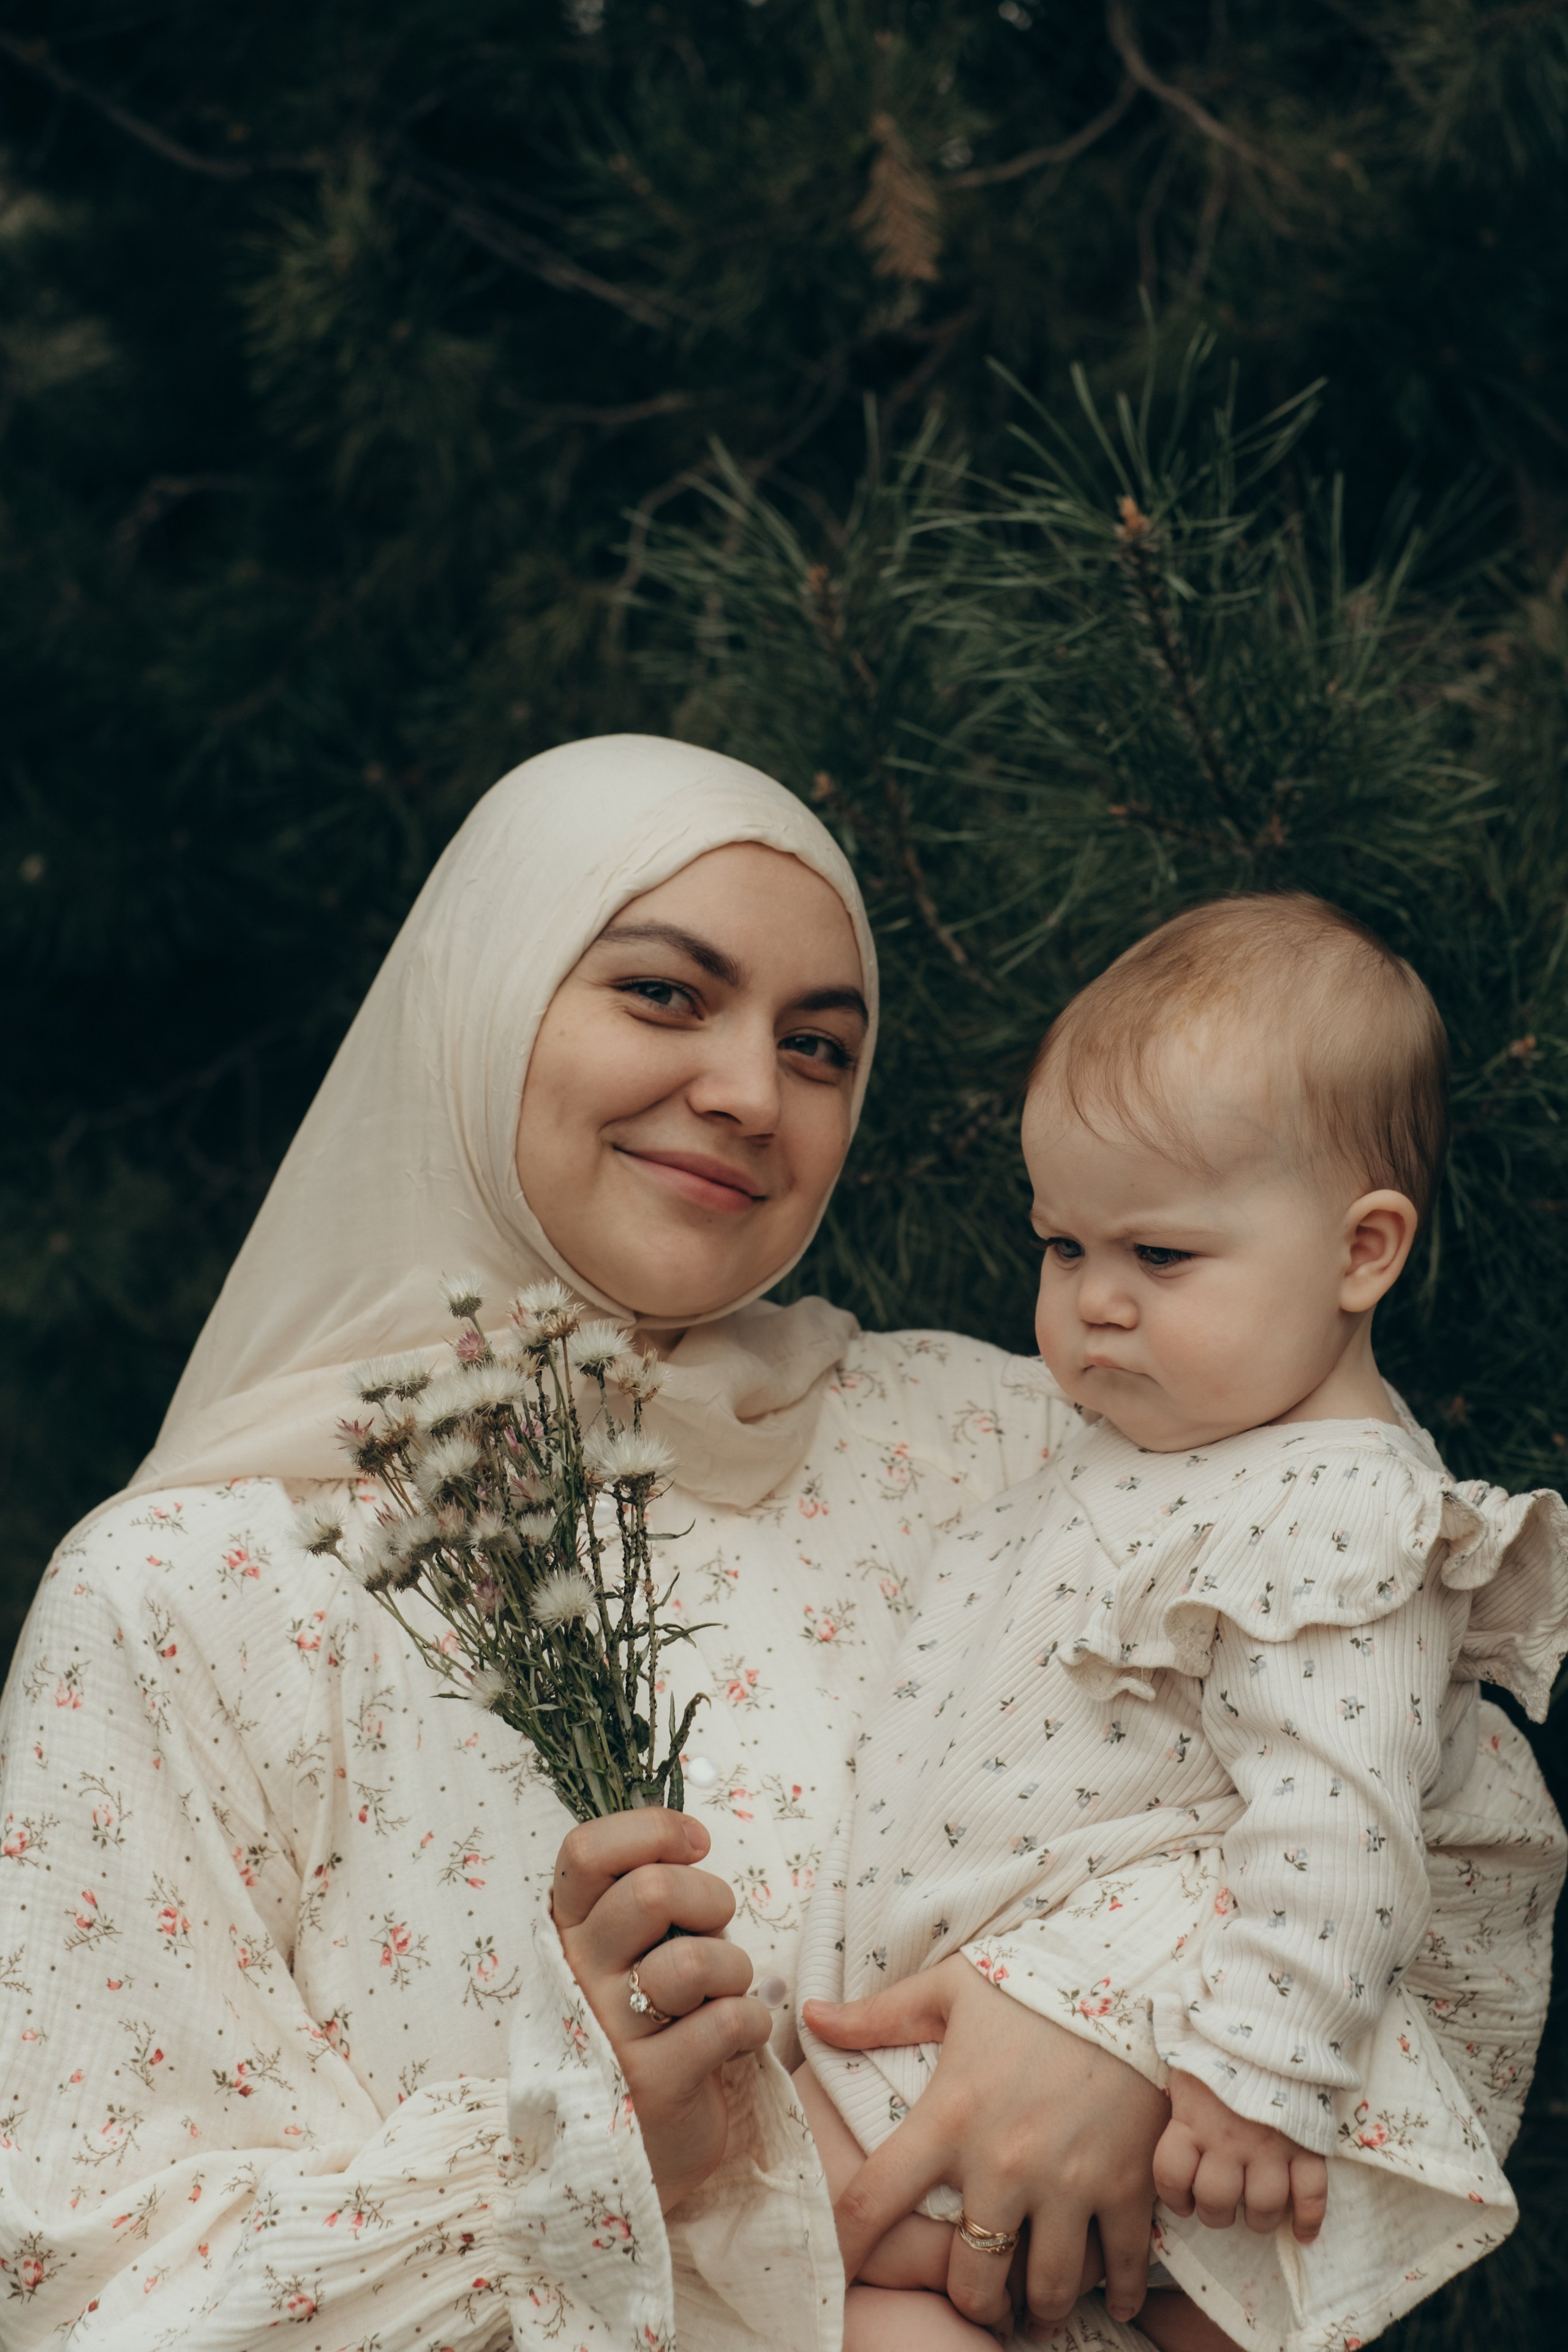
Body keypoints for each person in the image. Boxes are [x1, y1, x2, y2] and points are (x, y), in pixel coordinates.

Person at [0, 735, 1177, 2352]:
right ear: (479, 1004)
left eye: (821, 1047)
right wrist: (585, 2170)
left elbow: (1410, 1787)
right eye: (666, 995)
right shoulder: (194, 1599)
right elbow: (83, 2295)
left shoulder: (989, 1450)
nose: (752, 1092)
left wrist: (1107, 2018)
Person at [795, 892, 1568, 2352]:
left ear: (1361, 1255)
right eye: (1060, 1246)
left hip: (1217, 2071)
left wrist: (1256, 2073)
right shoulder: (1151, 1443)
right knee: (879, 2306)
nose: (1092, 1304)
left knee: (806, 2212)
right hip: (1069, 2036)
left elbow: (1338, 1816)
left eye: (1157, 1259)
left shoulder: (1343, 1516)